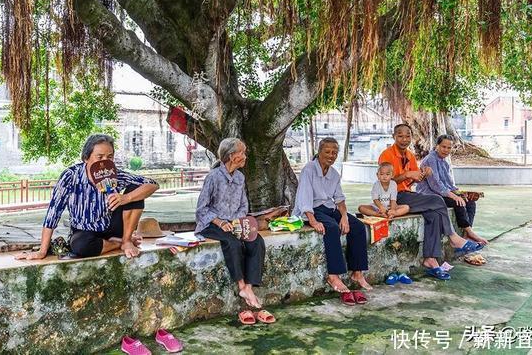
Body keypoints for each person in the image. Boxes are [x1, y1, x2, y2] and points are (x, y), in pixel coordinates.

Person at [16, 134, 159, 260]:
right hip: (84, 232)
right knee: (80, 246)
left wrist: (125, 198)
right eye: (99, 157)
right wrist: (42, 251)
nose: (105, 161)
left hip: (112, 225)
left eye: (109, 157)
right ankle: (119, 243)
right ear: (86, 158)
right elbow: (54, 212)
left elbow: (152, 184)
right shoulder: (70, 176)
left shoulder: (115, 175)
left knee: (135, 190)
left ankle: (126, 239)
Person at [378, 124, 483, 280]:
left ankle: (430, 260)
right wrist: (407, 174)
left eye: (407, 136)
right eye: (400, 136)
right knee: (436, 199)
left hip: (407, 194)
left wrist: (423, 174)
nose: (404, 139)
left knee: (433, 215)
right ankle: (453, 237)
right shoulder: (386, 154)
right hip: (392, 197)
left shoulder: (410, 155)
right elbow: (385, 182)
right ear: (394, 137)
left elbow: (415, 179)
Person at [195, 138, 274, 324]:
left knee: (256, 240)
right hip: (211, 224)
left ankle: (248, 286)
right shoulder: (213, 177)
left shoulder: (240, 177)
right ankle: (240, 284)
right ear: (231, 156)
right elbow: (202, 209)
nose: (245, 156)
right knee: (233, 243)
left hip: (234, 223)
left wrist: (237, 220)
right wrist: (221, 222)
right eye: (242, 152)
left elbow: (243, 205)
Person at [293, 137, 370, 304]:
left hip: (330, 209)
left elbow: (340, 200)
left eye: (334, 152)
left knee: (357, 226)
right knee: (332, 228)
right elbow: (304, 199)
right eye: (327, 152)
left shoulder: (334, 173)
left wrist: (344, 217)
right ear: (319, 152)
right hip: (312, 210)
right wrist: (312, 221)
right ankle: (333, 276)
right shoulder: (309, 170)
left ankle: (357, 272)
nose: (331, 155)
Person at [416, 134, 488, 245]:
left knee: (470, 202)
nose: (446, 150)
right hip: (430, 194)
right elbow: (436, 184)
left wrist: (460, 193)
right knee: (457, 202)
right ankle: (470, 232)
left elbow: (449, 184)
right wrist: (455, 196)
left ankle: (466, 235)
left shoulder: (445, 162)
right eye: (443, 147)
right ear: (437, 146)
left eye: (449, 148)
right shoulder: (431, 159)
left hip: (443, 193)